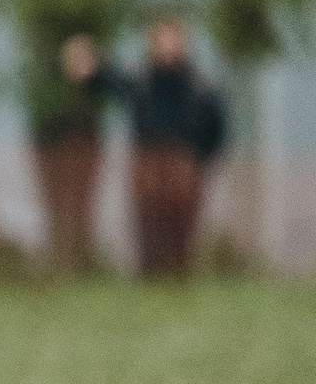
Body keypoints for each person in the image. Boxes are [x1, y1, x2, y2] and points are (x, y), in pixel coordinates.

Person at [61, 16, 229, 279]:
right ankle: (150, 284)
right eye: (161, 39)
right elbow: (107, 80)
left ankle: (178, 285)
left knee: (180, 236)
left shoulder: (202, 87)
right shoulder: (140, 82)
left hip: (184, 165)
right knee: (149, 230)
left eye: (173, 39)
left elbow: (218, 130)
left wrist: (198, 162)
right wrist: (88, 68)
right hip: (146, 163)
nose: (167, 46)